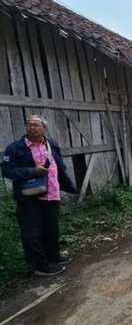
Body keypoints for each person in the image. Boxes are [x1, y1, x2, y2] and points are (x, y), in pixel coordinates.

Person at [1, 115, 77, 276]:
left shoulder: (51, 144)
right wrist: (32, 171)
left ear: (44, 128)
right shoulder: (15, 148)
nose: (32, 128)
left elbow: (59, 164)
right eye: (29, 125)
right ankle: (40, 266)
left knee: (52, 229)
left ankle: (53, 258)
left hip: (51, 194)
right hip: (29, 197)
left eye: (36, 125)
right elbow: (6, 171)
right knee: (32, 232)